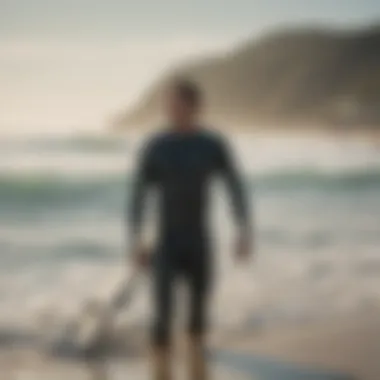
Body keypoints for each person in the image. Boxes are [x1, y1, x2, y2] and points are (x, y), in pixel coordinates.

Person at [128, 78, 252, 380]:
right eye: (168, 105)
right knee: (162, 316)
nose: (171, 110)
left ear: (196, 107)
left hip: (198, 241)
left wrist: (243, 229)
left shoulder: (212, 145)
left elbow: (234, 186)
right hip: (165, 242)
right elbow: (139, 196)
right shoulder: (156, 146)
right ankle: (160, 369)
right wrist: (137, 240)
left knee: (198, 318)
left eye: (178, 104)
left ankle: (198, 367)